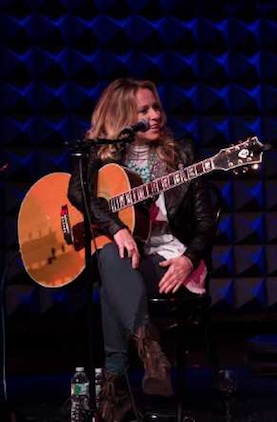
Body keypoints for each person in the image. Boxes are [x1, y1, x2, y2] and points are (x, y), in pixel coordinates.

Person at [67, 78, 218, 421]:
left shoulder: (181, 153)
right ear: (122, 117)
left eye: (157, 107)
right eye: (143, 110)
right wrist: (117, 228)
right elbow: (78, 193)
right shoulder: (101, 154)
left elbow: (206, 223)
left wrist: (189, 258)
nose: (155, 116)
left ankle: (116, 384)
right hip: (126, 258)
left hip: (167, 259)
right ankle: (150, 350)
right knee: (112, 253)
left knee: (111, 271)